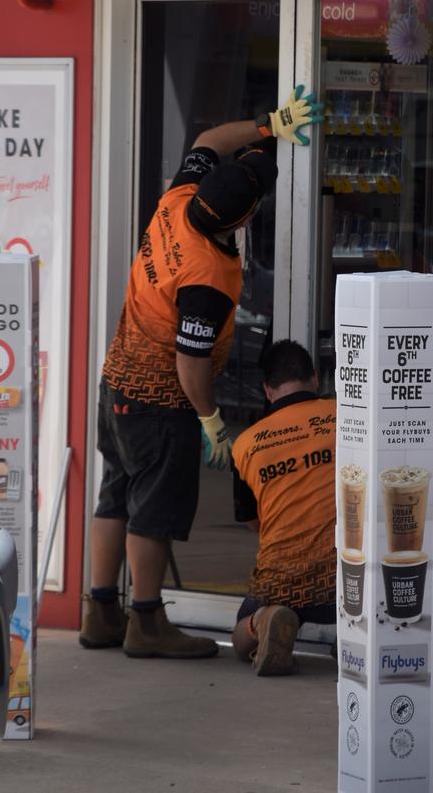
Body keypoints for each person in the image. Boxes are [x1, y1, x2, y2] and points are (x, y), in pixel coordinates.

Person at [79, 87, 324, 658]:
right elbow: (190, 363)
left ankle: (99, 612)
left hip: (115, 382)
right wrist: (211, 419)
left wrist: (271, 124)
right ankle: (146, 623)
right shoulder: (208, 278)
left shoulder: (181, 198)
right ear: (245, 218)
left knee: (115, 494)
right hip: (159, 402)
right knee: (154, 508)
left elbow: (208, 141)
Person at [231, 339, 336, 676]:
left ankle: (261, 622)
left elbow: (252, 523)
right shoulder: (347, 417)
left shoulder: (246, 443)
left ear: (266, 389)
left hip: (283, 583)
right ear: (316, 378)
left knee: (238, 638)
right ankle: (356, 640)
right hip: (350, 583)